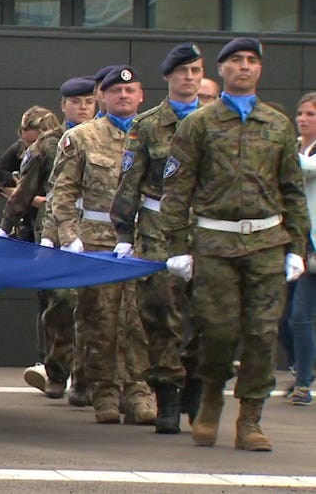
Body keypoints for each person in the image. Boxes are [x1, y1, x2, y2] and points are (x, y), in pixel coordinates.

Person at [160, 37, 308, 451]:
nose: (245, 66)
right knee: (217, 331)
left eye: (252, 61)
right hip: (215, 243)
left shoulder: (277, 124)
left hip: (266, 242)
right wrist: (177, 246)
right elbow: (177, 189)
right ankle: (210, 399)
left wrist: (297, 247)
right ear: (221, 69)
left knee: (262, 333)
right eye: (236, 60)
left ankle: (251, 419)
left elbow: (292, 190)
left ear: (259, 69)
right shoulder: (200, 124)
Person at [47, 66, 156, 425]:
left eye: (130, 90)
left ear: (141, 96)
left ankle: (138, 391)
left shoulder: (154, 135)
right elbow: (62, 192)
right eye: (115, 91)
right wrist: (69, 236)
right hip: (97, 240)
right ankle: (105, 390)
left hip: (142, 239)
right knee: (100, 319)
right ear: (102, 97)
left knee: (139, 319)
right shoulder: (81, 137)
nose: (123, 96)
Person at [110, 43, 204, 433]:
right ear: (168, 77)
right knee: (161, 316)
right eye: (182, 71)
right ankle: (167, 397)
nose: (189, 77)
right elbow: (129, 180)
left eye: (196, 71)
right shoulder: (147, 125)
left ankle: (195, 388)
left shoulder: (216, 121)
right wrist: (123, 232)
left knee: (208, 317)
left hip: (208, 232)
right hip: (157, 231)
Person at [0, 78, 96, 400]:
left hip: (97, 231)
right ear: (63, 105)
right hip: (54, 230)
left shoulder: (110, 138)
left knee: (95, 304)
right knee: (62, 301)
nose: (83, 107)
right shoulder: (48, 145)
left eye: (89, 101)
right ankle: (56, 370)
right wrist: (5, 227)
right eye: (76, 102)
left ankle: (85, 379)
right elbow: (24, 191)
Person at [288, 92, 316, 407]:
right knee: (284, 319)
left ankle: (303, 384)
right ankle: (302, 368)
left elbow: (305, 169)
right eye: (300, 113)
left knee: (301, 316)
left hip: (312, 247)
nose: (303, 119)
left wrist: (273, 154)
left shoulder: (296, 154)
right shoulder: (293, 146)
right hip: (289, 244)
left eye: (310, 114)